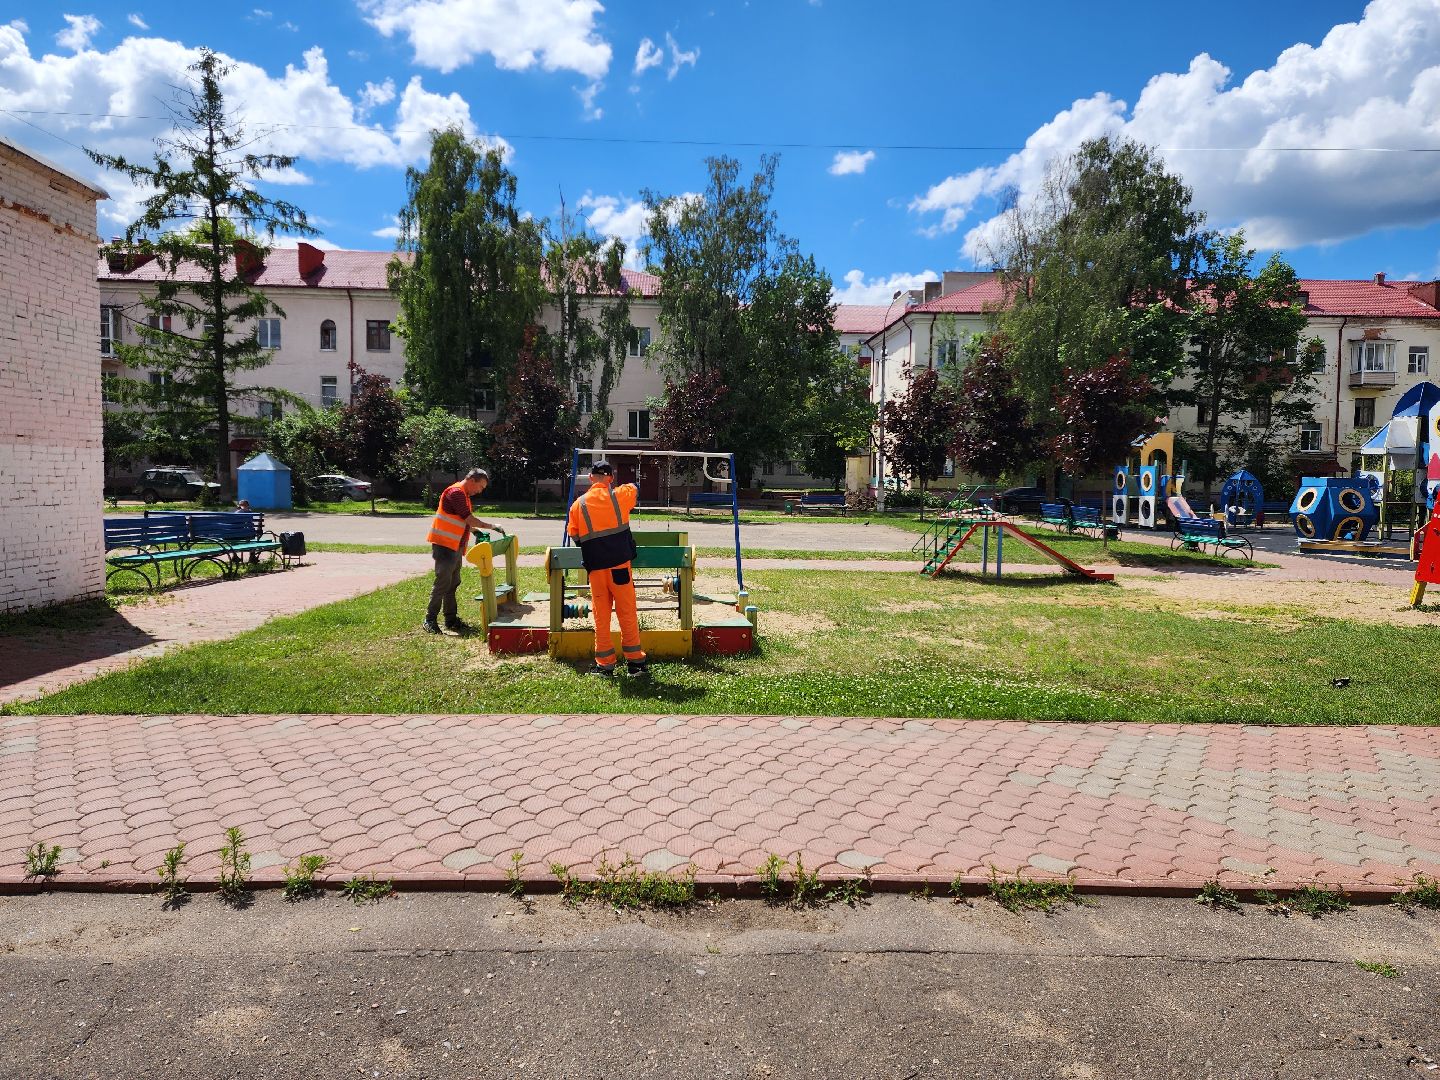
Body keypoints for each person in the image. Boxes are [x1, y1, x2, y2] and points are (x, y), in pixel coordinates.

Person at [567, 460, 647, 677]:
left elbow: (574, 535)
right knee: (627, 613)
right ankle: (635, 664)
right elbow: (634, 488)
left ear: (591, 477)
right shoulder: (620, 495)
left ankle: (605, 665)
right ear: (611, 478)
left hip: (596, 569)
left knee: (601, 617)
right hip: (620, 567)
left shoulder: (578, 505)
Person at [423, 468, 506, 634]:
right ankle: (429, 619)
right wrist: (492, 526)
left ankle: (451, 619)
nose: (480, 490)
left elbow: (462, 521)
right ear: (472, 480)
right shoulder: (456, 493)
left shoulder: (464, 495)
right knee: (442, 583)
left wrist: (475, 531)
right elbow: (469, 518)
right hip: (445, 546)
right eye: (480, 486)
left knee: (453, 584)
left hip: (455, 547)